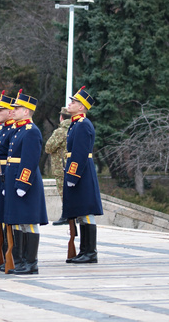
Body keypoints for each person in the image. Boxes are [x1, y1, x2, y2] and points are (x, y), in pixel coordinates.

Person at [3, 90, 48, 275]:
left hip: (25, 182)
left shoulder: (31, 131)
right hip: (14, 179)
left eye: (18, 107)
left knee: (28, 222)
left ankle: (31, 262)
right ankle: (20, 261)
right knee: (18, 222)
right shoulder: (18, 129)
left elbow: (29, 160)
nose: (13, 110)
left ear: (27, 110)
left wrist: (23, 184)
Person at [62, 86, 103, 264]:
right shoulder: (76, 124)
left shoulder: (83, 125)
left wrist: (72, 176)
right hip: (80, 171)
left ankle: (90, 251)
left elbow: (79, 153)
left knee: (86, 212)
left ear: (81, 107)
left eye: (74, 102)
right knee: (81, 212)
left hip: (82, 172)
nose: (70, 104)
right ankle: (84, 250)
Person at [45, 107, 72, 225]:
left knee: (63, 192)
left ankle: (66, 215)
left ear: (61, 117)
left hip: (60, 166)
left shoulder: (60, 131)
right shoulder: (74, 128)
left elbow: (48, 147)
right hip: (69, 165)